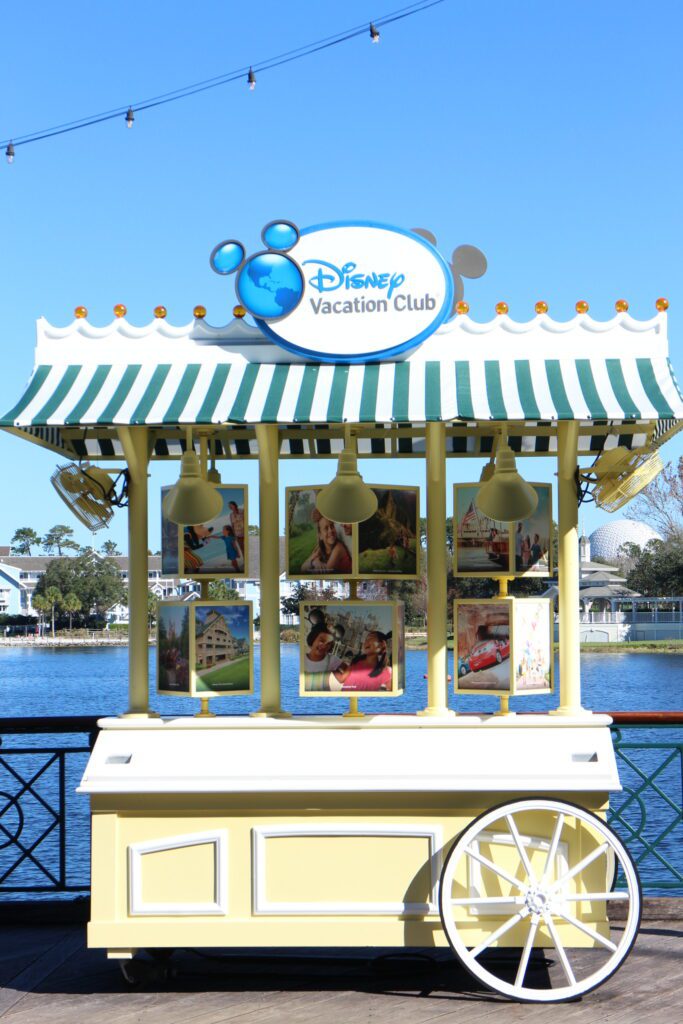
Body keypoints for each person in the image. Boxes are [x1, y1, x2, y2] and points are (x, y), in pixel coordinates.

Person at [303, 622, 342, 691]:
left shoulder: (331, 660)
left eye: (328, 644)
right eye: (322, 640)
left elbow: (344, 678)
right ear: (313, 639)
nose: (324, 646)